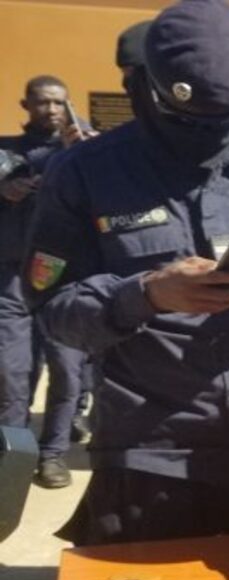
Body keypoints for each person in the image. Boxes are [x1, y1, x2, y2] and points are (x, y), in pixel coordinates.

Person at [25, 0, 229, 544]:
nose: (217, 136)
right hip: (152, 454)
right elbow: (54, 313)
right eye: (196, 122)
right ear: (150, 87)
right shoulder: (84, 172)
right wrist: (147, 294)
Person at [0, 75, 93, 489]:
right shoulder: (5, 152)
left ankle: (52, 455)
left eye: (59, 102)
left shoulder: (85, 151)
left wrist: (81, 154)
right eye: (42, 102)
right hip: (12, 281)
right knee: (13, 375)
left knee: (68, 372)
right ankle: (15, 456)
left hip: (63, 279)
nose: (52, 110)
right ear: (26, 105)